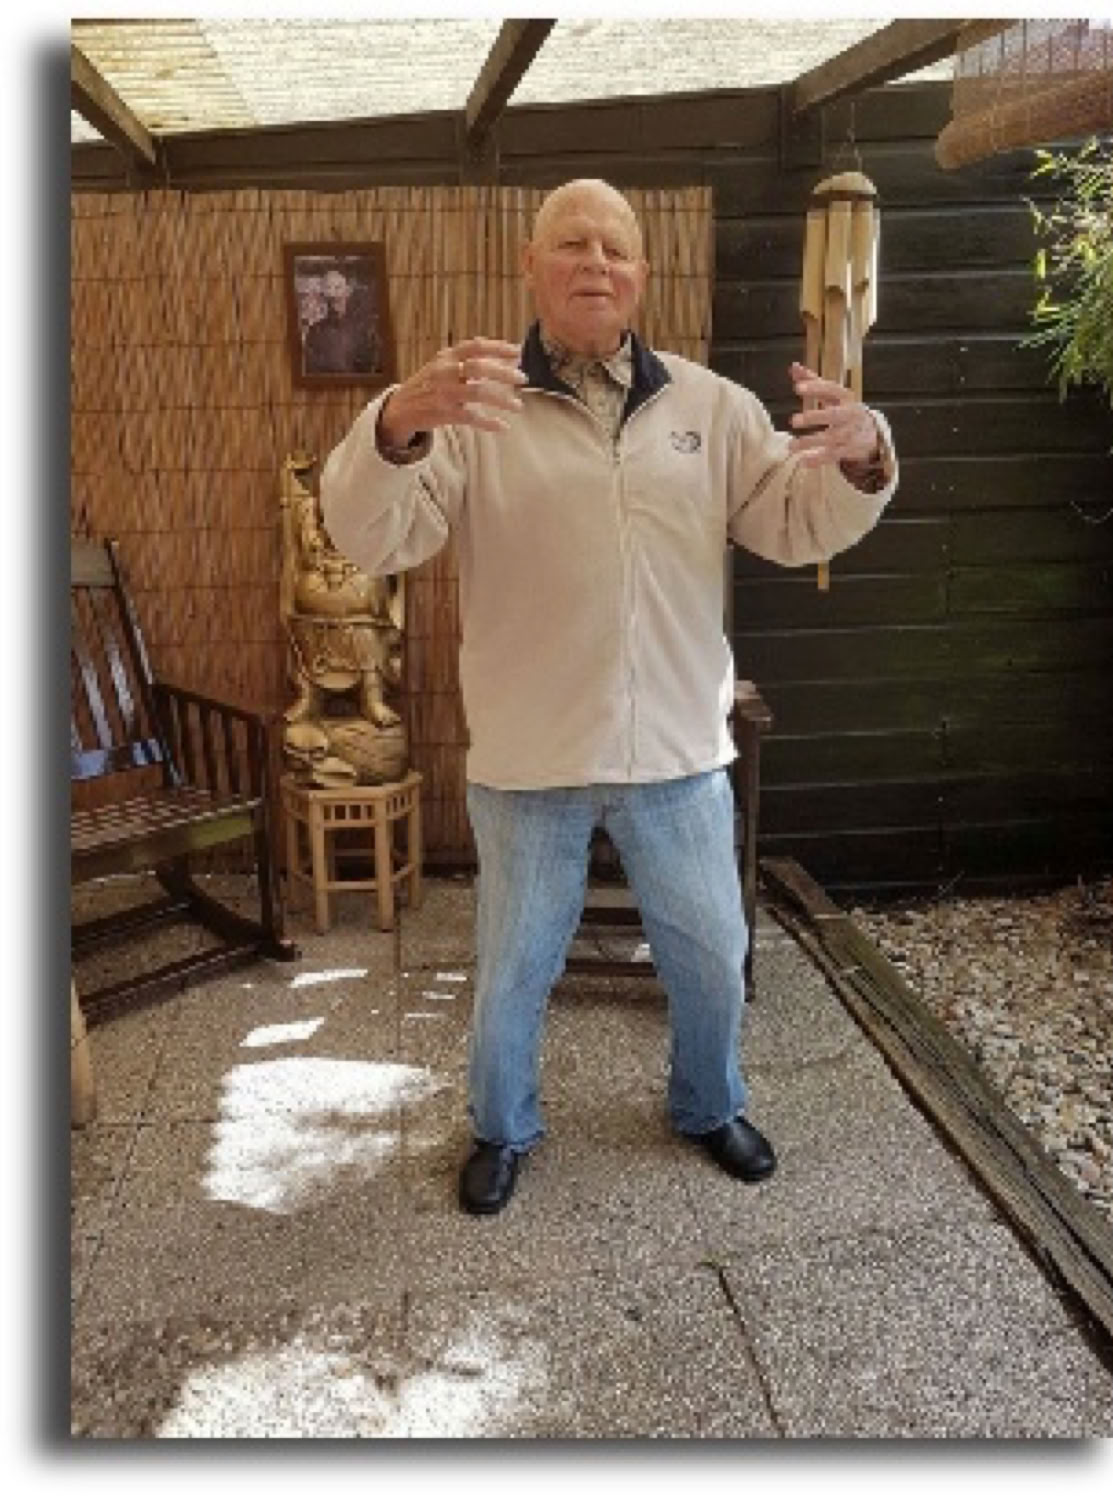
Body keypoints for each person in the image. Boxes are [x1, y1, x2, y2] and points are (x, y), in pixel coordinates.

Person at [320, 178, 897, 1215]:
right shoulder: (474, 413)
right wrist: (396, 424)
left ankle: (708, 1104)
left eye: (615, 248)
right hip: (530, 756)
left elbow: (792, 519)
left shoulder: (711, 408)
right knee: (511, 975)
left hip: (675, 751)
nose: (595, 262)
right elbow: (376, 536)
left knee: (712, 958)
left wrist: (860, 458)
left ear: (641, 274)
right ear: (530, 266)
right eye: (571, 243)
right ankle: (501, 1127)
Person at [304, 268, 378, 376]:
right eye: (328, 288)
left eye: (337, 287)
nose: (332, 294)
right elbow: (311, 369)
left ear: (348, 291)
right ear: (323, 294)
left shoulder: (363, 328)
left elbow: (370, 366)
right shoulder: (315, 331)